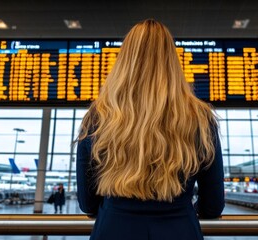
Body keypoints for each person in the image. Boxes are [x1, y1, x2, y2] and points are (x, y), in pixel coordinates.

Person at [76, 19, 224, 240]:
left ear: (125, 60)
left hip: (114, 230)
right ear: (172, 60)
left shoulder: (99, 116)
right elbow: (213, 205)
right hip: (180, 230)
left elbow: (87, 203)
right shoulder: (200, 118)